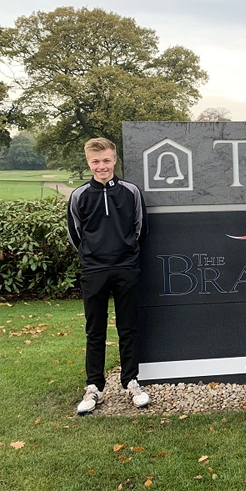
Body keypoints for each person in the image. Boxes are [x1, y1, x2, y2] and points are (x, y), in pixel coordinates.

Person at [67, 138, 150, 414]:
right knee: (95, 331)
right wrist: (93, 255)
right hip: (94, 270)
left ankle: (131, 382)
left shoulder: (131, 192)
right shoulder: (79, 195)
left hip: (126, 267)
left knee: (128, 327)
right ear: (88, 162)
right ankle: (95, 387)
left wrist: (126, 252)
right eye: (95, 161)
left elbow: (141, 228)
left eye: (106, 160)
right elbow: (75, 233)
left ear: (114, 160)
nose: (101, 166)